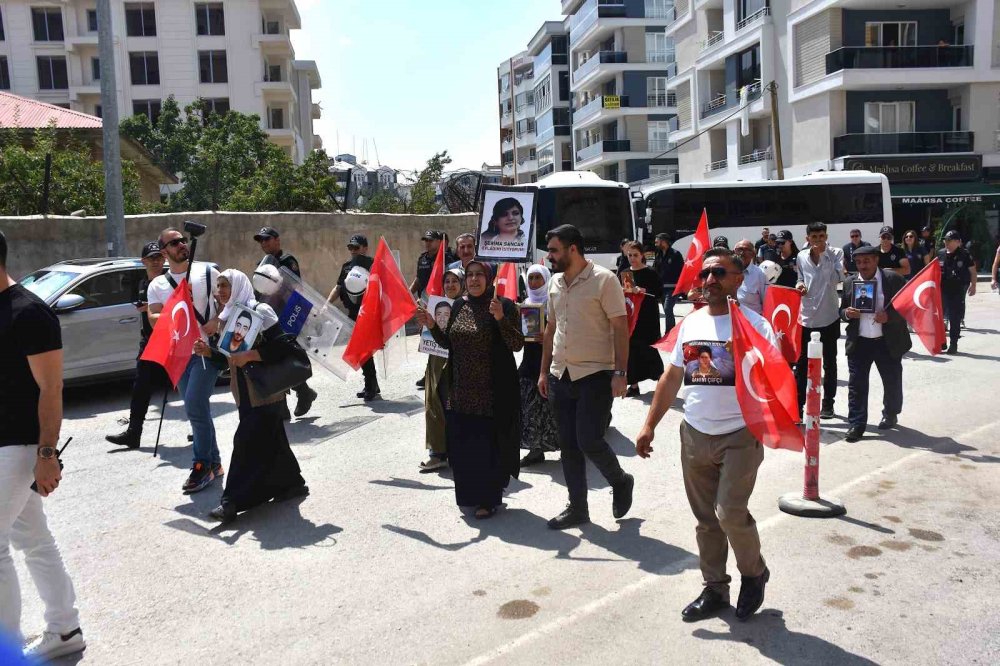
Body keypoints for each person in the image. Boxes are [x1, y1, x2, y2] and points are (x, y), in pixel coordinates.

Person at [635, 248, 776, 623]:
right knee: (705, 520)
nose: (710, 280)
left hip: (740, 434)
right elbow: (672, 378)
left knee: (730, 511)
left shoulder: (755, 325)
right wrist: (649, 424)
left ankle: (754, 573)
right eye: (705, 274)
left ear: (738, 279)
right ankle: (715, 588)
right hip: (695, 434)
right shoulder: (691, 324)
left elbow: (775, 379)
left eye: (719, 273)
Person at [0, 230, 86, 661]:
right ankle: (65, 628)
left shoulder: (29, 313)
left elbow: (51, 389)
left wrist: (46, 455)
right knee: (33, 538)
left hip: (17, 448)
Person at [539, 224, 635, 530]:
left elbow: (621, 328)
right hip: (559, 374)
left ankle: (620, 481)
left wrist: (620, 373)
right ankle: (578, 508)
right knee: (567, 444)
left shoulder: (604, 280)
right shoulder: (554, 283)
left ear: (573, 249)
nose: (550, 256)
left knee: (589, 440)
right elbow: (551, 329)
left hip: (595, 373)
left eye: (554, 250)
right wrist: (543, 371)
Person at [194, 270, 307, 523]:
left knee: (244, 442)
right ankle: (292, 483)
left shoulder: (261, 312)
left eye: (226, 285)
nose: (221, 291)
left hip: (265, 390)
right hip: (244, 391)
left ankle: (231, 501)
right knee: (273, 439)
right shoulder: (228, 316)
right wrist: (208, 352)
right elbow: (229, 357)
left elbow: (283, 346)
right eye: (219, 286)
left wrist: (253, 356)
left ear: (239, 286)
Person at [417, 261, 524, 519]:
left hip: (490, 393)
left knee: (486, 447)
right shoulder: (459, 305)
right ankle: (469, 496)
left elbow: (517, 343)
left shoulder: (504, 305)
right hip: (460, 391)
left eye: (480, 275)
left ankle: (488, 499)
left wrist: (499, 318)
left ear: (489, 279)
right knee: (464, 449)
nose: (475, 279)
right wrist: (432, 325)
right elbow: (448, 343)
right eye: (471, 275)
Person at [147, 227, 223, 494]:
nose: (182, 244)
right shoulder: (157, 284)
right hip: (179, 355)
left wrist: (217, 320)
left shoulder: (207, 272)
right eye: (174, 242)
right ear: (164, 251)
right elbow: (153, 317)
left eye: (183, 240)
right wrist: (176, 309)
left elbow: (226, 301)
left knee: (193, 405)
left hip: (206, 351)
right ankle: (215, 462)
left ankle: (201, 466)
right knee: (198, 410)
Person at [840, 246, 911, 442]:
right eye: (859, 262)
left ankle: (890, 413)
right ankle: (856, 423)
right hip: (860, 342)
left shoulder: (892, 280)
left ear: (876, 260)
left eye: (867, 261)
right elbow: (842, 310)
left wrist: (889, 316)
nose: (863, 266)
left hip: (886, 342)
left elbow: (907, 306)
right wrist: (847, 313)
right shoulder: (849, 282)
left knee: (892, 381)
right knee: (857, 385)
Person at [105, 241, 168, 449]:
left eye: (159, 257)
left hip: (170, 341)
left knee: (188, 388)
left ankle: (200, 431)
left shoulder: (170, 282)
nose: (156, 261)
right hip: (149, 341)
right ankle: (134, 433)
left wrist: (151, 308)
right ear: (144, 261)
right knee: (141, 387)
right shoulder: (142, 283)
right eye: (152, 258)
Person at [253, 226, 317, 417]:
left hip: (288, 315)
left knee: (286, 358)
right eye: (261, 240)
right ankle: (290, 401)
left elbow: (295, 288)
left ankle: (303, 393)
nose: (264, 243)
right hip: (269, 317)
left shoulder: (287, 262)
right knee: (276, 360)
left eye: (267, 239)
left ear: (277, 239)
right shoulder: (261, 264)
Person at [795, 221, 843, 420]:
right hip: (806, 318)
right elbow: (800, 277)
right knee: (802, 364)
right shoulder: (801, 256)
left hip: (829, 316)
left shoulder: (836, 253)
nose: (818, 241)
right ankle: (798, 405)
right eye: (814, 237)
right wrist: (799, 285)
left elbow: (837, 279)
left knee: (829, 363)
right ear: (807, 239)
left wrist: (824, 256)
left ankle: (828, 404)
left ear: (826, 236)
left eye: (821, 236)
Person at [420, 267, 465, 472]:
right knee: (434, 403)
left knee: (455, 406)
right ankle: (437, 452)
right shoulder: (434, 306)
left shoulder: (467, 306)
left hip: (460, 362)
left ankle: (458, 451)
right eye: (447, 281)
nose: (450, 285)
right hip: (437, 359)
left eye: (455, 281)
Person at [518, 265, 560, 467]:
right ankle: (535, 450)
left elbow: (567, 330)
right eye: (531, 278)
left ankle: (567, 448)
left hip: (553, 363)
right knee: (530, 409)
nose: (534, 282)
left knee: (555, 409)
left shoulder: (555, 303)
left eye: (538, 278)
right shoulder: (525, 305)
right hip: (529, 363)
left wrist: (550, 337)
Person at [329, 234, 380, 400]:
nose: (353, 251)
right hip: (352, 314)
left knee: (365, 350)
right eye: (350, 247)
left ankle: (371, 386)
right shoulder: (346, 267)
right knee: (361, 351)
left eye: (356, 247)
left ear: (365, 248)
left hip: (367, 314)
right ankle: (371, 384)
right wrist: (327, 303)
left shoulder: (373, 265)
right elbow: (338, 287)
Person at [622, 241, 664, 397]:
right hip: (632, 317)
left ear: (642, 256)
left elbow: (659, 293)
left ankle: (662, 380)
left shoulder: (650, 273)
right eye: (630, 255)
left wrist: (644, 290)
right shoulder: (626, 272)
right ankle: (634, 385)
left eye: (635, 255)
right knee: (632, 350)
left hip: (648, 317)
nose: (632, 258)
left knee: (649, 348)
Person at [938, 230, 977, 354]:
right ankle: (941, 341)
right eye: (945, 240)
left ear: (957, 242)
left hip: (957, 289)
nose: (946, 243)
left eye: (949, 240)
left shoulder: (965, 254)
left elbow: (973, 271)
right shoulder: (941, 253)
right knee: (939, 317)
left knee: (954, 317)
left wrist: (973, 285)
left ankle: (953, 343)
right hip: (943, 289)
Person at [653, 233, 684, 331]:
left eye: (657, 242)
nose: (656, 244)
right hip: (662, 288)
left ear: (664, 242)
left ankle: (669, 332)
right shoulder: (658, 254)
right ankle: (671, 332)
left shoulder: (675, 254)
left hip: (673, 287)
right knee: (667, 311)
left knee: (667, 309)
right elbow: (655, 269)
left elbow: (682, 270)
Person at [733, 239, 768, 314]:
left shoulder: (760, 274)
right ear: (734, 252)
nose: (742, 253)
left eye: (746, 250)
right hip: (731, 319)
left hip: (752, 321)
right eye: (739, 249)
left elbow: (766, 302)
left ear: (753, 254)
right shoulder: (727, 272)